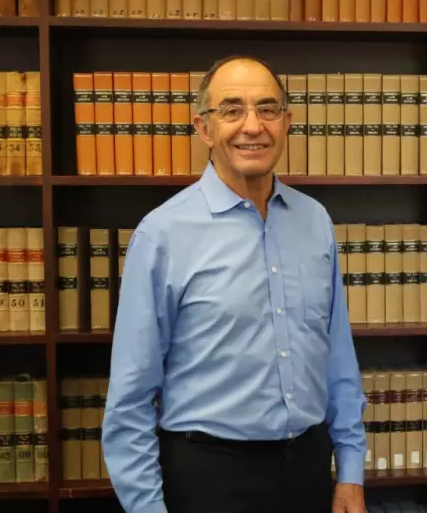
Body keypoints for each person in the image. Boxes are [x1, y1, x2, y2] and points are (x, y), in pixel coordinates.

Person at [101, 55, 367, 513]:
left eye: (267, 109)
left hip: (308, 470)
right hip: (209, 478)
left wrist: (350, 472)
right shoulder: (162, 234)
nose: (252, 126)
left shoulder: (315, 221)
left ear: (286, 123)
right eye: (232, 110)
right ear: (204, 128)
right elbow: (130, 399)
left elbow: (338, 360)